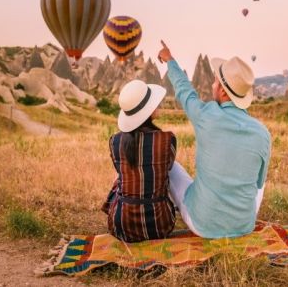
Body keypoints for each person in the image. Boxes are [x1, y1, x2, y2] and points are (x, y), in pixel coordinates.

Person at [157, 41, 271, 238]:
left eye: (215, 81)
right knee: (259, 183)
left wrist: (169, 60)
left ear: (223, 91)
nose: (212, 84)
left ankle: (162, 210)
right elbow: (259, 183)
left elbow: (185, 91)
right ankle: (233, 216)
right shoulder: (263, 133)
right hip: (244, 226)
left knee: (172, 167)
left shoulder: (206, 115)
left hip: (202, 225)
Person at [101, 79, 177, 242]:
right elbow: (168, 168)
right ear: (149, 111)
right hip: (160, 225)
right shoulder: (167, 139)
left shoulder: (115, 141)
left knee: (120, 179)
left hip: (122, 225)